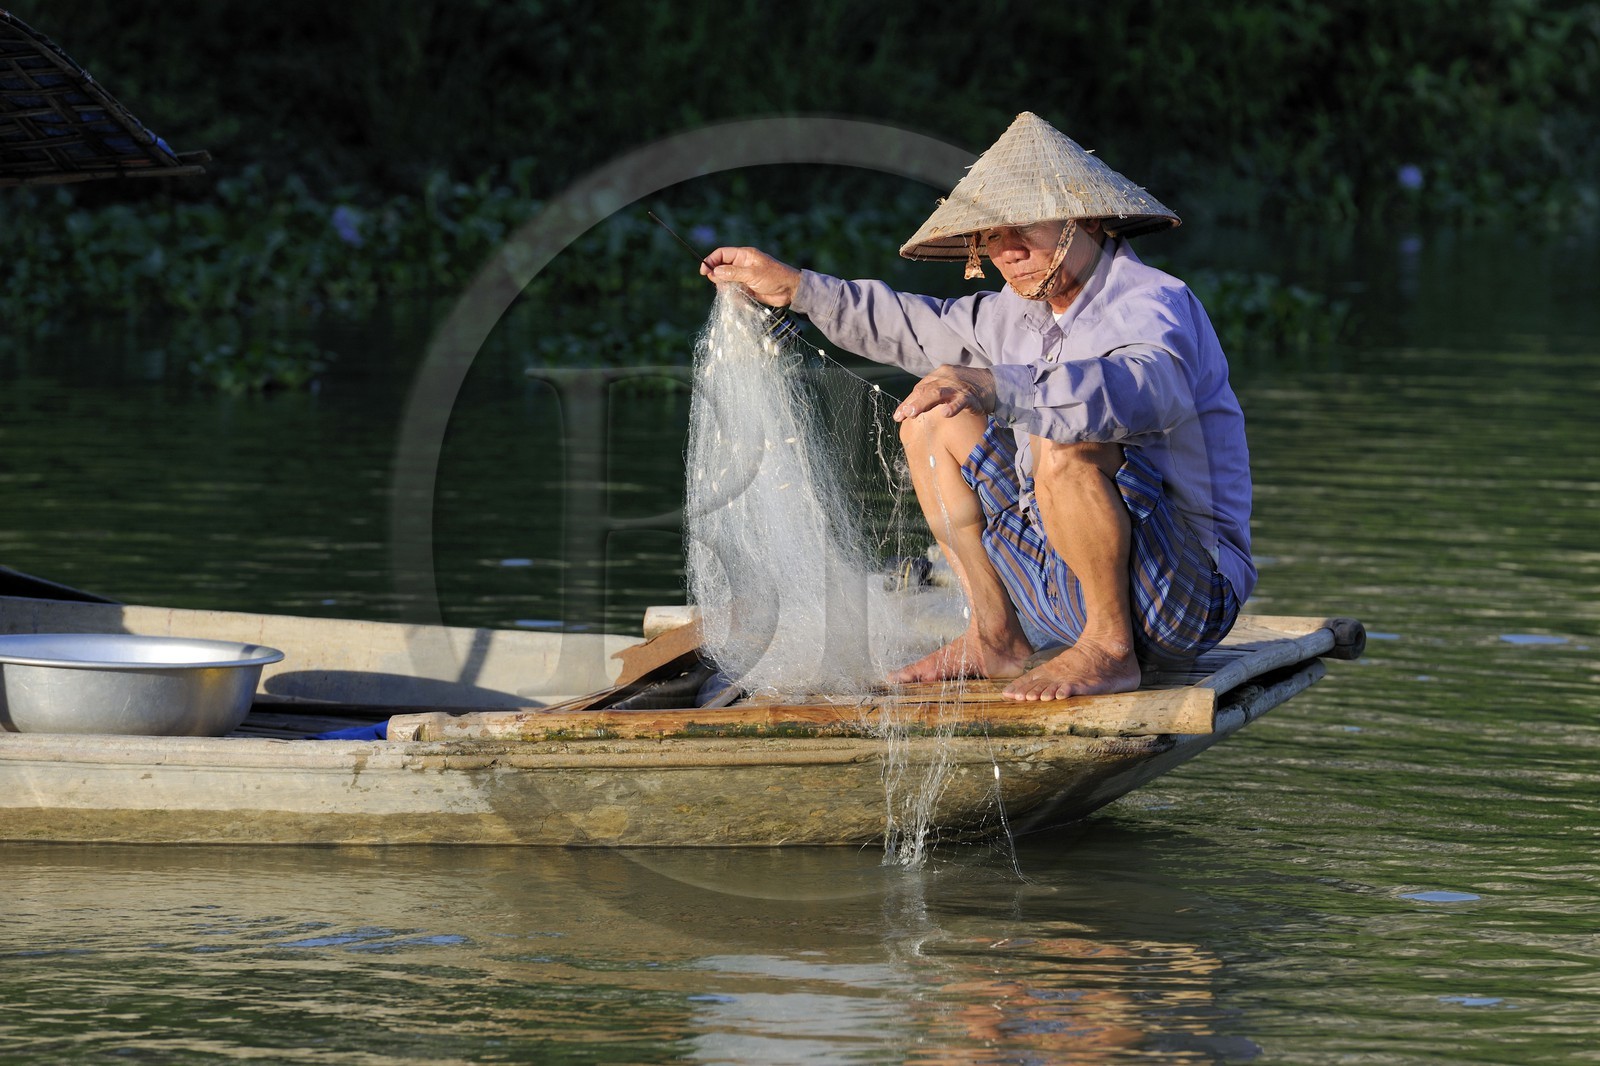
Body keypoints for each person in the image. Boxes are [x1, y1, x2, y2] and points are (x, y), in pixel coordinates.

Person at [700, 112, 1253, 701]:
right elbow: (912, 325)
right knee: (931, 418)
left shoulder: (1153, 300)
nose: (1009, 250)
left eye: (1027, 227)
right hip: (1059, 588)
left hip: (1181, 599)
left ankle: (1110, 649)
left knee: (1061, 432)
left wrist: (1004, 386)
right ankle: (995, 636)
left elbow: (1147, 388)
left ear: (1084, 218)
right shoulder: (1006, 314)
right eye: (993, 235)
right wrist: (797, 289)